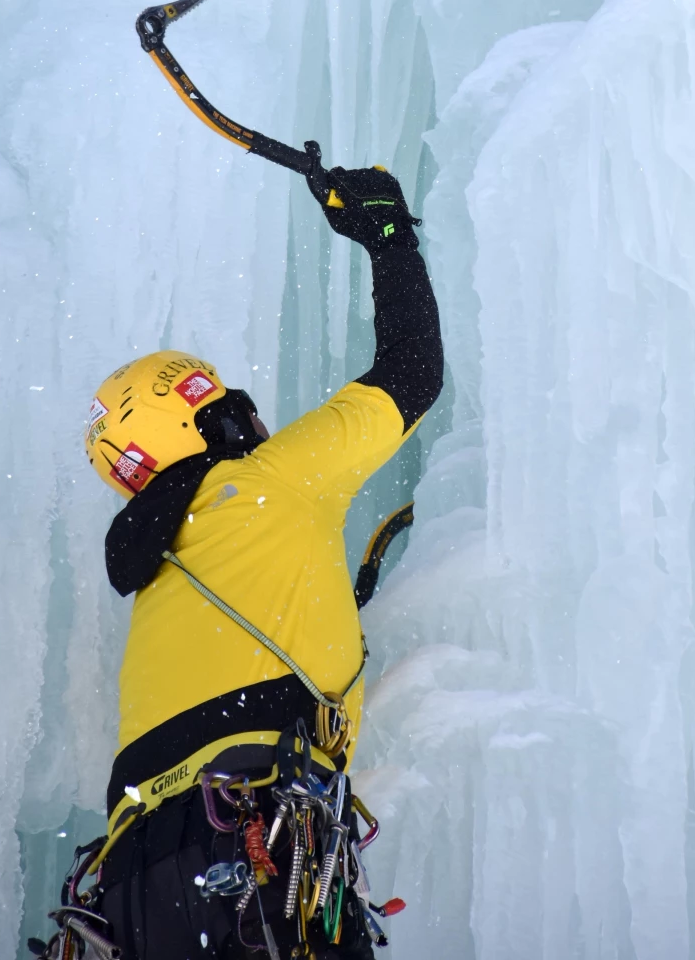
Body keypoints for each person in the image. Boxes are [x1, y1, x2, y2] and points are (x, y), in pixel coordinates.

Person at [81, 162, 444, 960]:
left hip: (135, 883)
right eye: (224, 406)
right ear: (208, 425)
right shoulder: (266, 483)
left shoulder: (158, 568)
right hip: (252, 835)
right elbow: (414, 373)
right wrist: (388, 238)